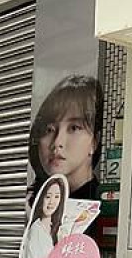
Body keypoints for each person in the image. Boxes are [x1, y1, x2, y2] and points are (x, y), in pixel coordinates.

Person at [29, 74, 104, 202]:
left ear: (94, 142)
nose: (57, 142)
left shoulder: (103, 209)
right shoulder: (31, 202)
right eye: (49, 130)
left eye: (74, 128)